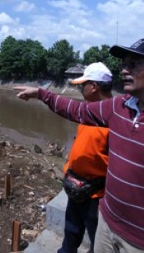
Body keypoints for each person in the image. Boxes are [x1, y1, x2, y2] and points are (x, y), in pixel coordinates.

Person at [15, 38, 144, 252]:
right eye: (124, 64)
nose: (124, 70)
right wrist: (41, 94)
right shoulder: (119, 106)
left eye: (133, 64)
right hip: (107, 226)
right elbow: (77, 110)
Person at [58, 62, 112, 253]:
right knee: (71, 231)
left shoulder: (113, 117)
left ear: (94, 87)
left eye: (83, 85)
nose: (81, 89)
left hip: (98, 196)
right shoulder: (87, 112)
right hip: (76, 187)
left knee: (98, 237)